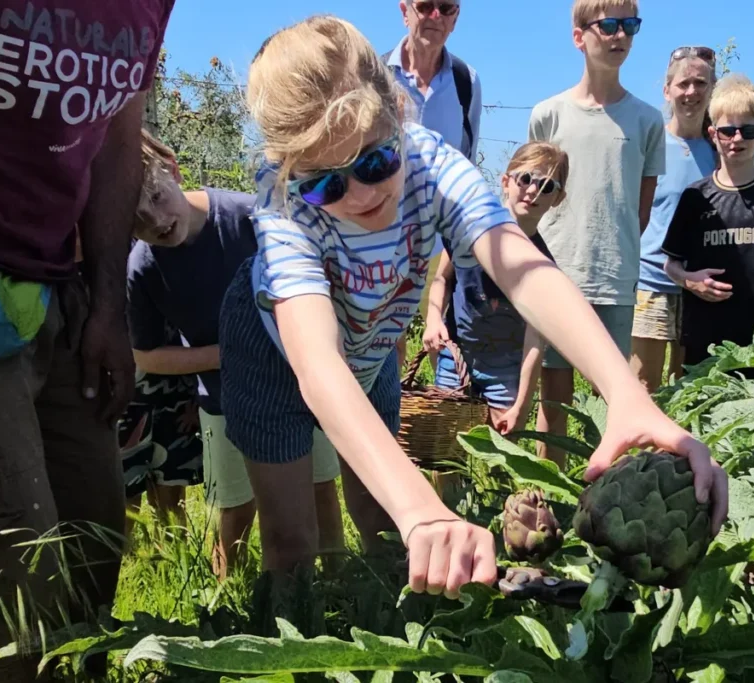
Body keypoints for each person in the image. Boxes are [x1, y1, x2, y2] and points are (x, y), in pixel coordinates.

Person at [217, 15, 727, 622]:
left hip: (371, 350)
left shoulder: (433, 166)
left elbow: (522, 270)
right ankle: (296, 652)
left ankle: (391, 631)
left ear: (397, 115)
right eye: (325, 184)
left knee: (382, 522)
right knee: (290, 541)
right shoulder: (282, 205)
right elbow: (315, 361)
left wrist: (625, 394)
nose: (357, 194)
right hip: (273, 354)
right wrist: (424, 509)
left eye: (375, 162)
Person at [0, 1, 176, 677]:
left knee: (95, 536)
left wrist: (107, 309)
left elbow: (119, 140)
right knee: (22, 568)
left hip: (58, 293)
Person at [126, 131, 345, 579]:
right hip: (224, 400)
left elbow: (320, 282)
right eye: (137, 220)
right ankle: (227, 597)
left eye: (155, 197)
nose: (156, 221)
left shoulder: (250, 217)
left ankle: (342, 585)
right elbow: (148, 356)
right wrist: (231, 353)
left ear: (171, 168)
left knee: (322, 487)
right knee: (234, 509)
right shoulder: (144, 267)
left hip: (300, 385)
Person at [527, 0, 666, 467]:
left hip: (616, 276)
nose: (619, 35)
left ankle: (607, 502)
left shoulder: (647, 121)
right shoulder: (549, 114)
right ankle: (551, 502)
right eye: (608, 24)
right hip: (554, 276)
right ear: (578, 35)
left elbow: (640, 209)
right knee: (555, 401)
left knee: (617, 401)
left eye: (630, 25)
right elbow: (533, 194)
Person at [661, 74, 754, 368]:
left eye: (748, 130)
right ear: (713, 133)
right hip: (702, 338)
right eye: (728, 131)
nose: (737, 139)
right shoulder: (695, 196)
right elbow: (671, 264)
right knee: (704, 410)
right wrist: (690, 281)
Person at [423, 142, 568, 433]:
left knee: (502, 456)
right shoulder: (469, 230)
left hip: (505, 368)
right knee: (445, 450)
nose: (534, 191)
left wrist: (522, 405)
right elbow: (442, 279)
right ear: (506, 182)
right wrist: (433, 319)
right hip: (456, 353)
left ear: (558, 198)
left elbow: (535, 342)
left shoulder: (542, 265)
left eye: (547, 185)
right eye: (526, 179)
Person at [382, 0, 483, 373]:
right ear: (404, 10)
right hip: (381, 233)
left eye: (447, 8)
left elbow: (466, 162)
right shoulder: (373, 75)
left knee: (441, 343)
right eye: (426, 6)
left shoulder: (466, 81)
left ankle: (424, 427)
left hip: (438, 244)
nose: (435, 17)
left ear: (456, 18)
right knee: (380, 346)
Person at [631, 46, 718, 392]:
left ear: (712, 89)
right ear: (667, 90)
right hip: (650, 282)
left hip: (702, 287)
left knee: (691, 389)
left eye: (701, 83)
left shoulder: (720, 147)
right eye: (683, 84)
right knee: (643, 387)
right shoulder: (650, 142)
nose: (692, 92)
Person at [118, 329, 203, 536]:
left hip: (177, 389)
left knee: (171, 492)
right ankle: (121, 562)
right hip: (119, 389)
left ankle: (174, 563)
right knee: (123, 493)